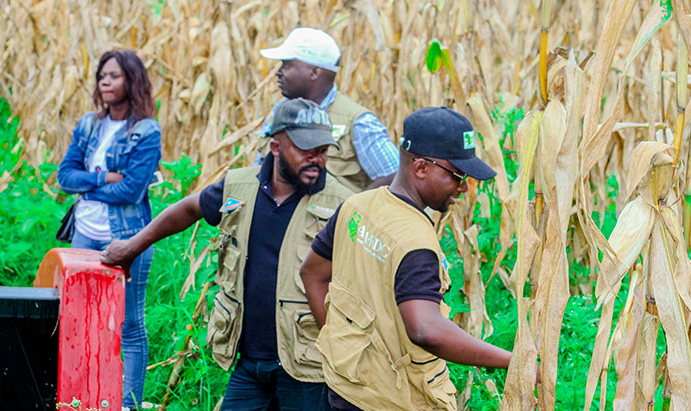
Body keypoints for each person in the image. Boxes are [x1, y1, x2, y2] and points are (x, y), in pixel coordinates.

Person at [101, 98, 353, 410]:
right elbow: (189, 208)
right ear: (275, 147)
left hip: (306, 364)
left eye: (323, 151)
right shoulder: (239, 187)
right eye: (306, 150)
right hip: (248, 362)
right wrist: (132, 247)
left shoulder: (344, 204)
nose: (317, 159)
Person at [299, 107, 512, 410]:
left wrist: (339, 346)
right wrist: (511, 360)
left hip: (346, 389)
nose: (463, 187)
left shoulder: (357, 206)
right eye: (457, 175)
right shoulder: (416, 243)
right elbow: (425, 329)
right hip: (395, 401)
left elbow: (312, 274)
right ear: (421, 167)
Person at [57, 49, 161, 410]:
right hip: (83, 234)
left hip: (127, 235)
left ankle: (128, 403)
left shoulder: (146, 132)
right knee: (80, 319)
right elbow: (63, 176)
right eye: (102, 75)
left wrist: (86, 185)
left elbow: (131, 190)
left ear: (132, 81)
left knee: (129, 323)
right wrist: (102, 178)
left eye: (114, 75)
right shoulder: (89, 124)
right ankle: (82, 398)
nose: (105, 81)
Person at [258, 27, 398, 192]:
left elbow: (393, 175)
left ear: (314, 72)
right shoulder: (278, 113)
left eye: (287, 65)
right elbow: (259, 170)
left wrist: (349, 209)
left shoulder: (357, 121)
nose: (278, 72)